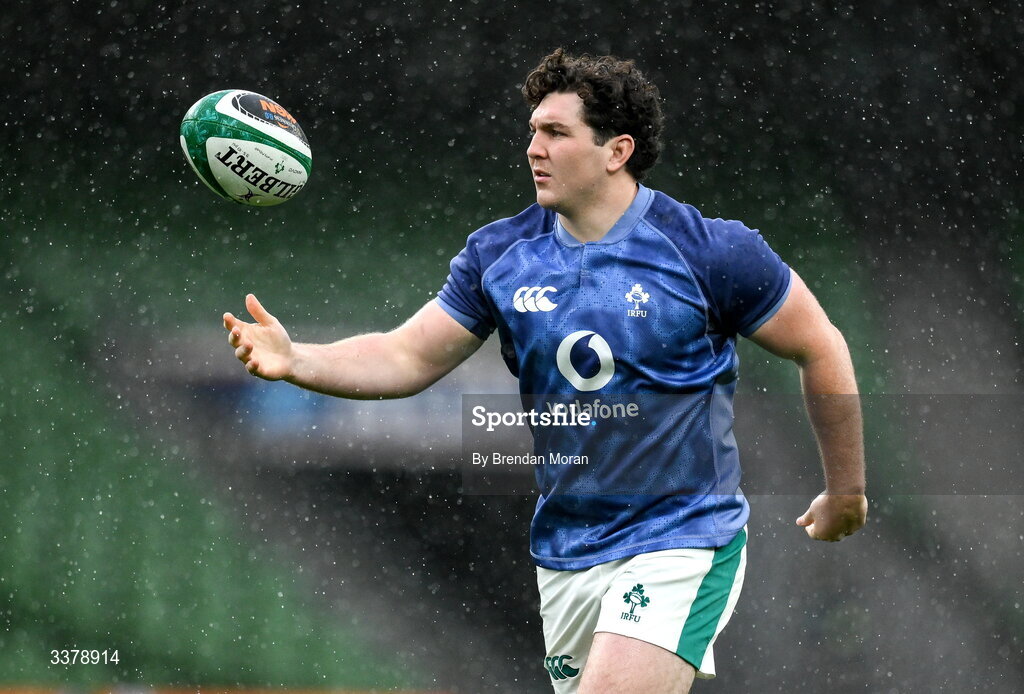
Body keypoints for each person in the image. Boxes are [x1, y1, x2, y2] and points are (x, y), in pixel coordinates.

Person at [223, 48, 867, 694]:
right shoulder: (500, 255)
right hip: (567, 550)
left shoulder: (710, 251)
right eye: (532, 131)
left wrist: (846, 492)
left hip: (682, 537)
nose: (534, 147)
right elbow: (408, 355)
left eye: (555, 132)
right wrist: (296, 358)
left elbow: (821, 347)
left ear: (616, 151)